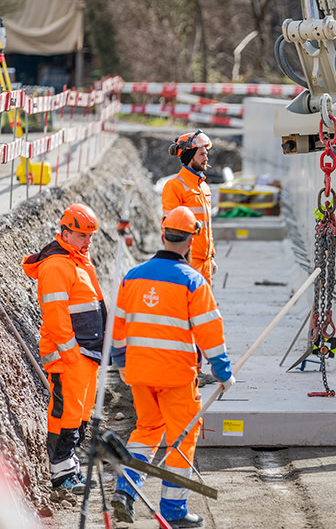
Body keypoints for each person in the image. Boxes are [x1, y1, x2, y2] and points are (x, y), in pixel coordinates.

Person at [109, 206, 235, 528]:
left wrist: (121, 361)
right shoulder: (192, 281)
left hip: (139, 373)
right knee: (182, 436)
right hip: (176, 375)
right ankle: (174, 509)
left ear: (163, 234)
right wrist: (223, 371)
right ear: (191, 241)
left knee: (147, 430)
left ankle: (125, 489)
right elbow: (210, 331)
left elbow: (118, 326)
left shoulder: (132, 277)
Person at [22, 203, 106, 494]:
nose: (88, 241)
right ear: (65, 232)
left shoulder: (77, 260)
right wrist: (70, 355)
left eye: (90, 236)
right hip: (70, 355)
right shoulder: (57, 266)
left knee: (79, 415)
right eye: (83, 235)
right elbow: (56, 316)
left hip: (85, 353)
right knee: (65, 416)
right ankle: (61, 475)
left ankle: (71, 469)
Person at [162, 130, 216, 285]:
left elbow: (207, 227)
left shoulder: (204, 187)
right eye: (202, 154)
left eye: (206, 154)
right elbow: (169, 228)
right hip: (187, 263)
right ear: (189, 156)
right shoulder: (175, 186)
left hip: (205, 263)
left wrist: (211, 257)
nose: (206, 158)